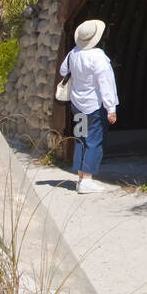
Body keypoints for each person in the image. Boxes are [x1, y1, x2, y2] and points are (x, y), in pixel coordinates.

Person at [58, 19, 118, 193]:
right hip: (94, 106)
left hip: (77, 104)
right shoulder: (98, 56)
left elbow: (63, 71)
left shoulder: (73, 53)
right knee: (94, 141)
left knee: (81, 139)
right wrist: (111, 108)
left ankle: (80, 177)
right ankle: (88, 180)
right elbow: (106, 83)